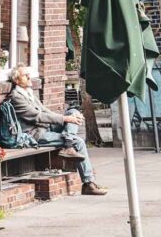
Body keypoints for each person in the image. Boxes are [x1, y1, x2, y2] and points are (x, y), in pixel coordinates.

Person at [8, 65, 107, 196]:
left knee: (74, 111)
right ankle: (88, 184)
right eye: (25, 75)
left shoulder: (29, 92)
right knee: (79, 142)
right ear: (17, 80)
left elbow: (45, 111)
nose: (29, 77)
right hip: (35, 134)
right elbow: (37, 116)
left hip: (45, 126)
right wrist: (65, 119)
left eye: (29, 74)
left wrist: (70, 117)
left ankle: (68, 141)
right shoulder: (17, 97)